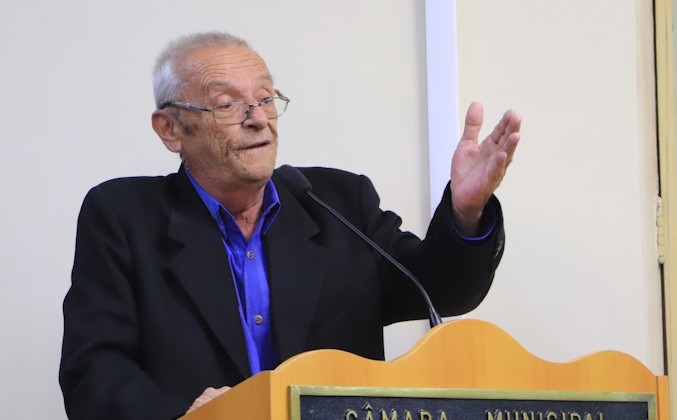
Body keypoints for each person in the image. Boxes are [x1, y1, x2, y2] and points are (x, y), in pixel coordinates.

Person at [59, 31, 521, 419]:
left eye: (265, 99)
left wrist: (466, 210)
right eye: (227, 104)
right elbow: (93, 371)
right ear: (171, 129)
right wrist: (187, 416)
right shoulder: (123, 216)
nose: (258, 119)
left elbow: (441, 290)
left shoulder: (339, 202)